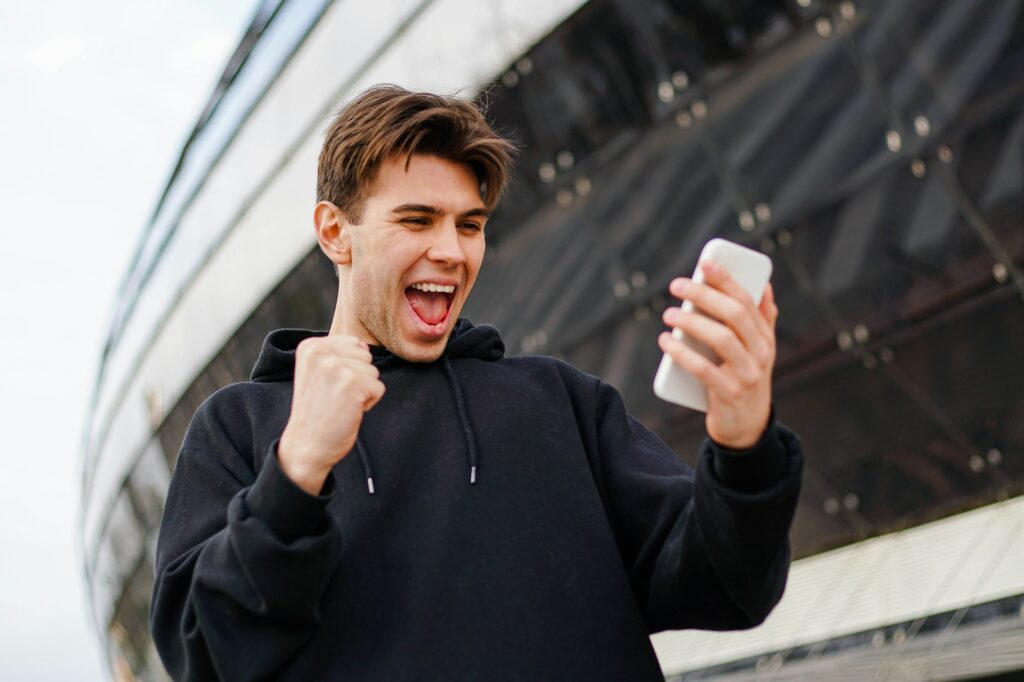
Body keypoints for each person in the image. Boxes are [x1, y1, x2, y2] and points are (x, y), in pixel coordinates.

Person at [150, 85, 803, 681]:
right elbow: (203, 659)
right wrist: (294, 476)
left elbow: (729, 588)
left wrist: (744, 445)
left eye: (469, 224)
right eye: (416, 220)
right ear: (334, 233)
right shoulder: (241, 427)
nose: (452, 251)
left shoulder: (564, 403)